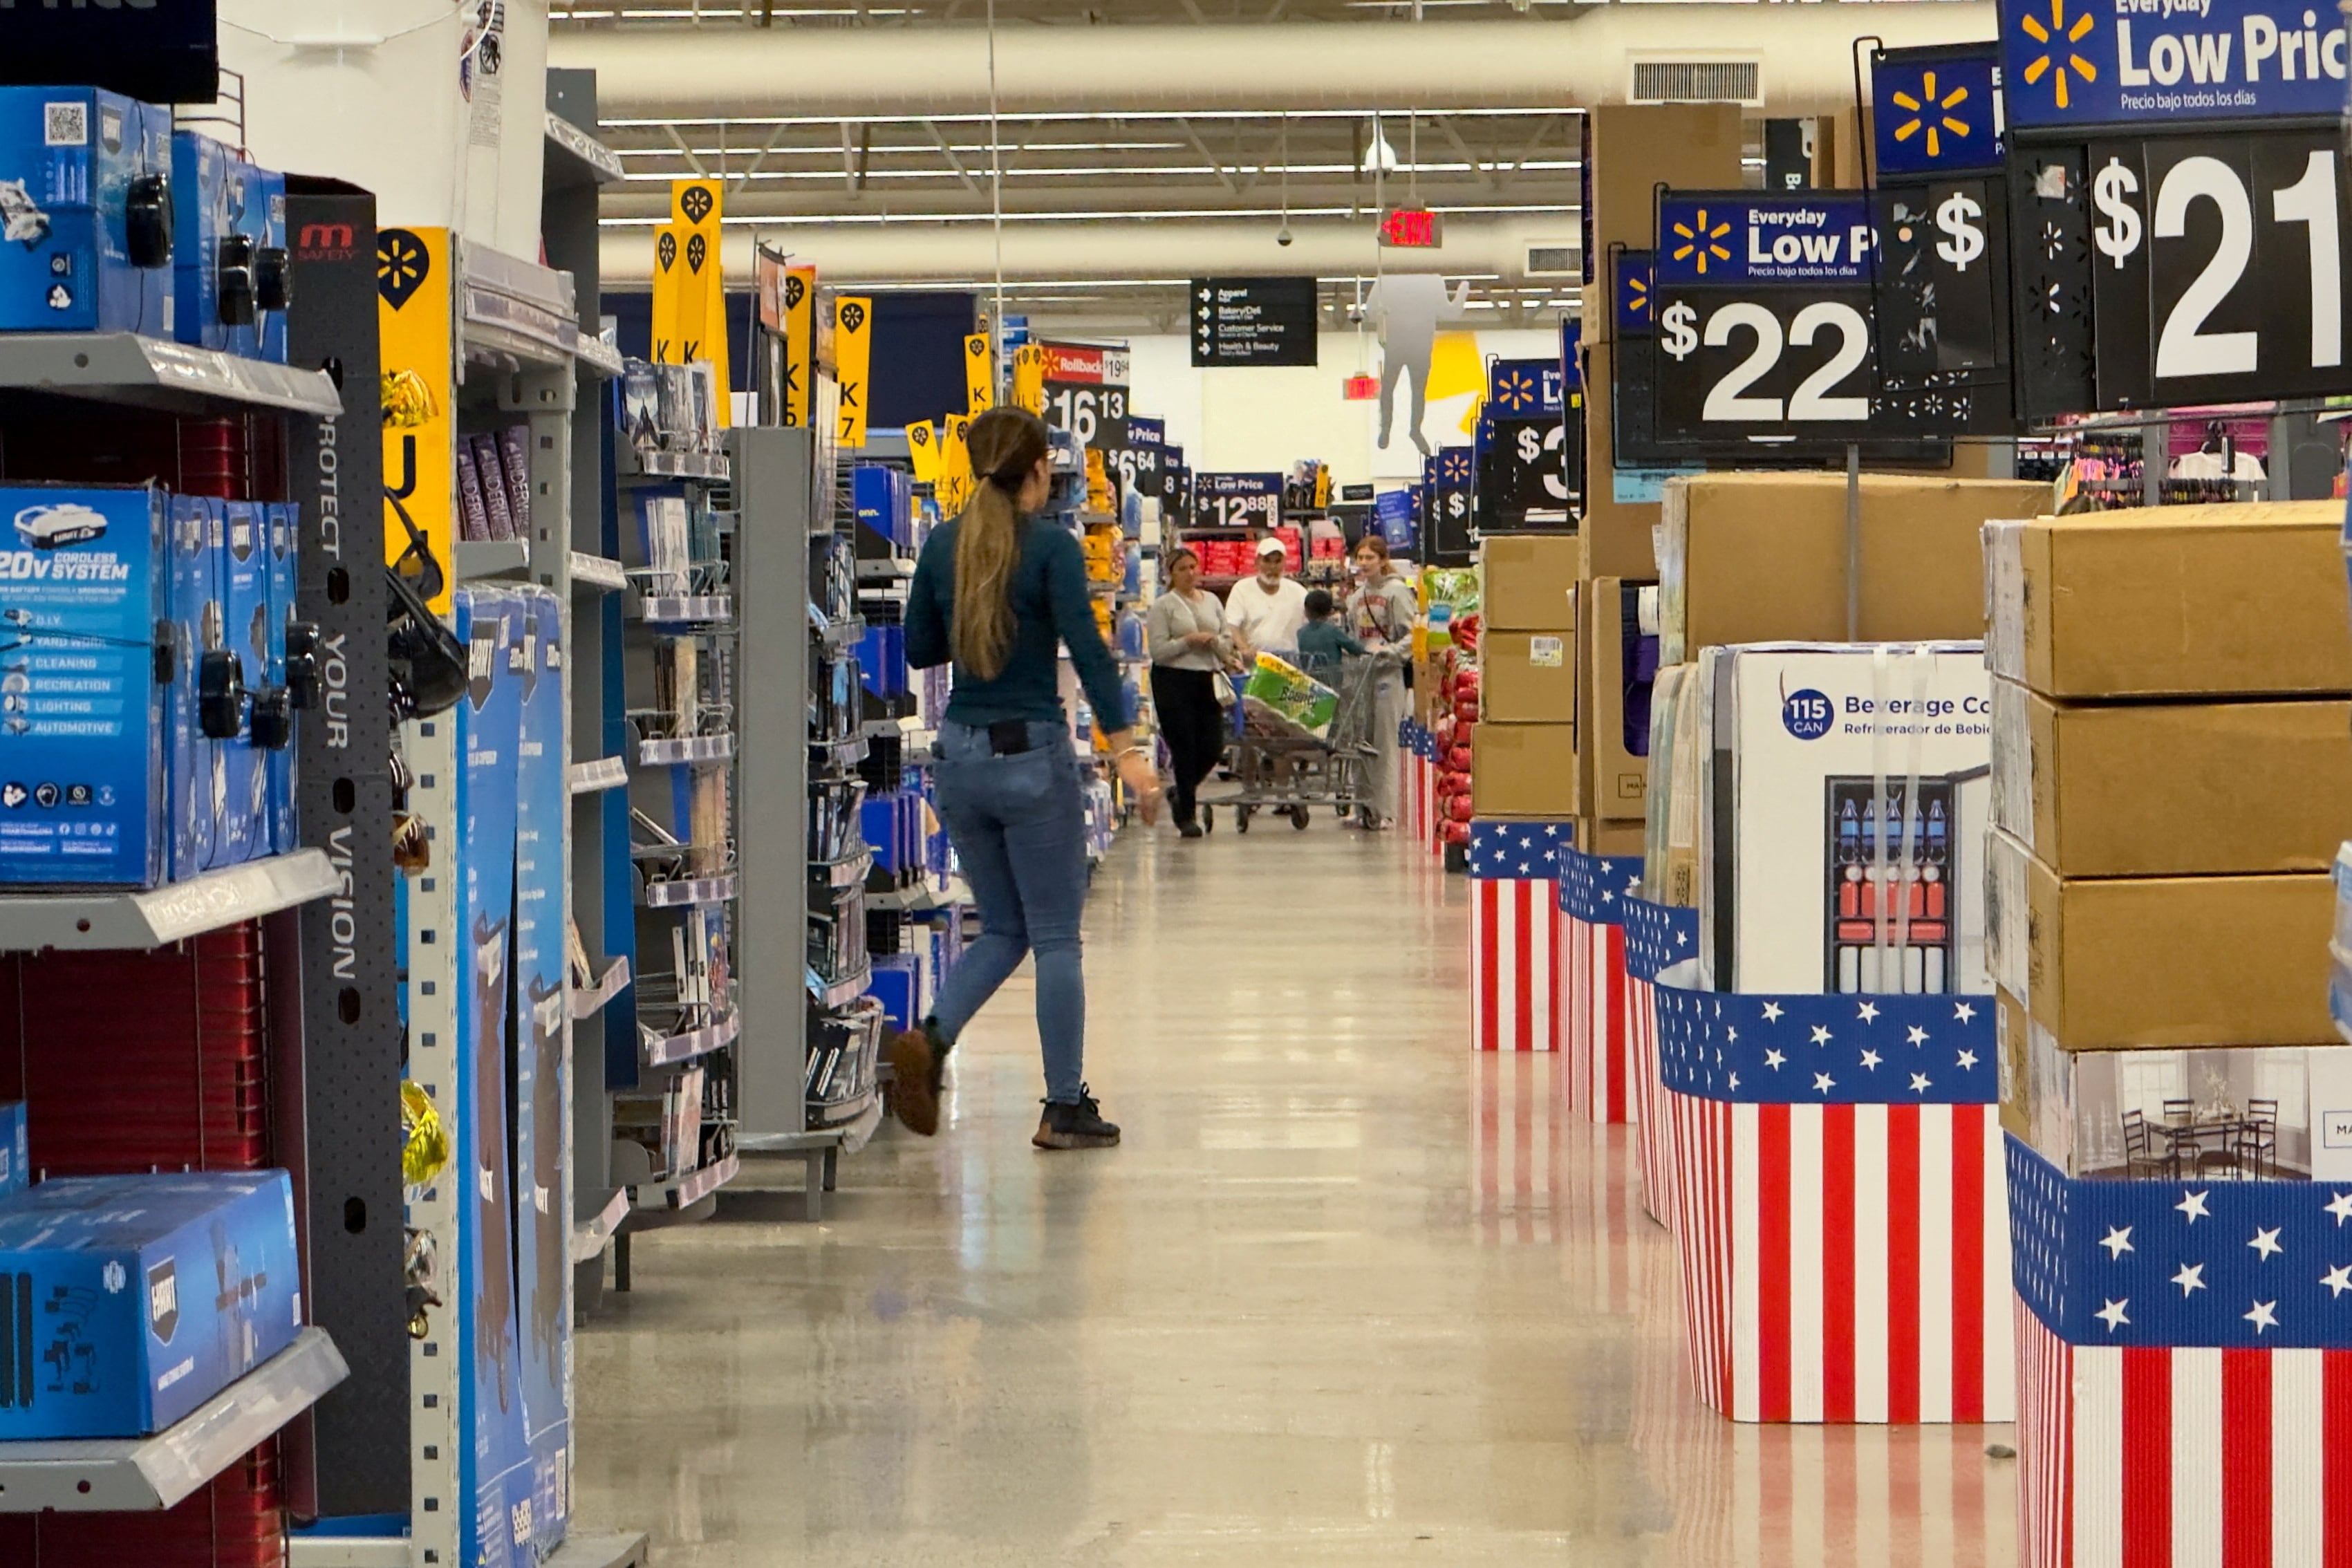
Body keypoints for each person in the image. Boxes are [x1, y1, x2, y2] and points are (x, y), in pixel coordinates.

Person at [895, 407, 1161, 1150]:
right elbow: (1091, 652)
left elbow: (919, 649)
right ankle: (1064, 1106)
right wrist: (1129, 753)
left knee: (1005, 929)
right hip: (1030, 758)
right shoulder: (1051, 550)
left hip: (958, 758)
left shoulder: (944, 546)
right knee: (1054, 939)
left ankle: (933, 1037)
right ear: (1040, 472)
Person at [1146, 547, 1232, 840]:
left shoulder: (1212, 602)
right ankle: (1187, 816)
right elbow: (1158, 651)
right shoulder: (1163, 606)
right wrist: (1189, 641)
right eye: (1182, 568)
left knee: (1212, 746)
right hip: (1173, 680)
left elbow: (1226, 638)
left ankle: (1179, 792)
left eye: (1193, 567)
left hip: (1207, 678)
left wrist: (1223, 650)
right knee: (1184, 748)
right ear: (1171, 573)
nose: (1190, 573)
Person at [1345, 534, 1417, 830]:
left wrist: (1391, 651)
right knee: (1360, 740)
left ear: (1383, 560)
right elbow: (1351, 634)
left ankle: (1386, 809)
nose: (1364, 564)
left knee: (1385, 742)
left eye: (1370, 558)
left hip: (1388, 673)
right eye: (1360, 558)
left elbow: (1414, 634)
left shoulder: (1397, 592)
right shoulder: (1355, 597)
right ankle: (1362, 805)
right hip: (1362, 673)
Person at [1224, 535, 1309, 663]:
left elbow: (1310, 624)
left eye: (1277, 561)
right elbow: (1232, 625)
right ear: (1257, 562)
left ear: (1284, 563)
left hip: (1291, 664)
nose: (1272, 567)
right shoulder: (1242, 589)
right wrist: (1244, 649)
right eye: (1267, 561)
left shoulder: (1298, 592)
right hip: (1255, 664)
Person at [1293, 588, 1366, 678]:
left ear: (1306, 612)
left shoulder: (1300, 633)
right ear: (1331, 612)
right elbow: (1355, 649)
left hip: (1309, 680)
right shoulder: (1333, 631)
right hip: (1332, 681)